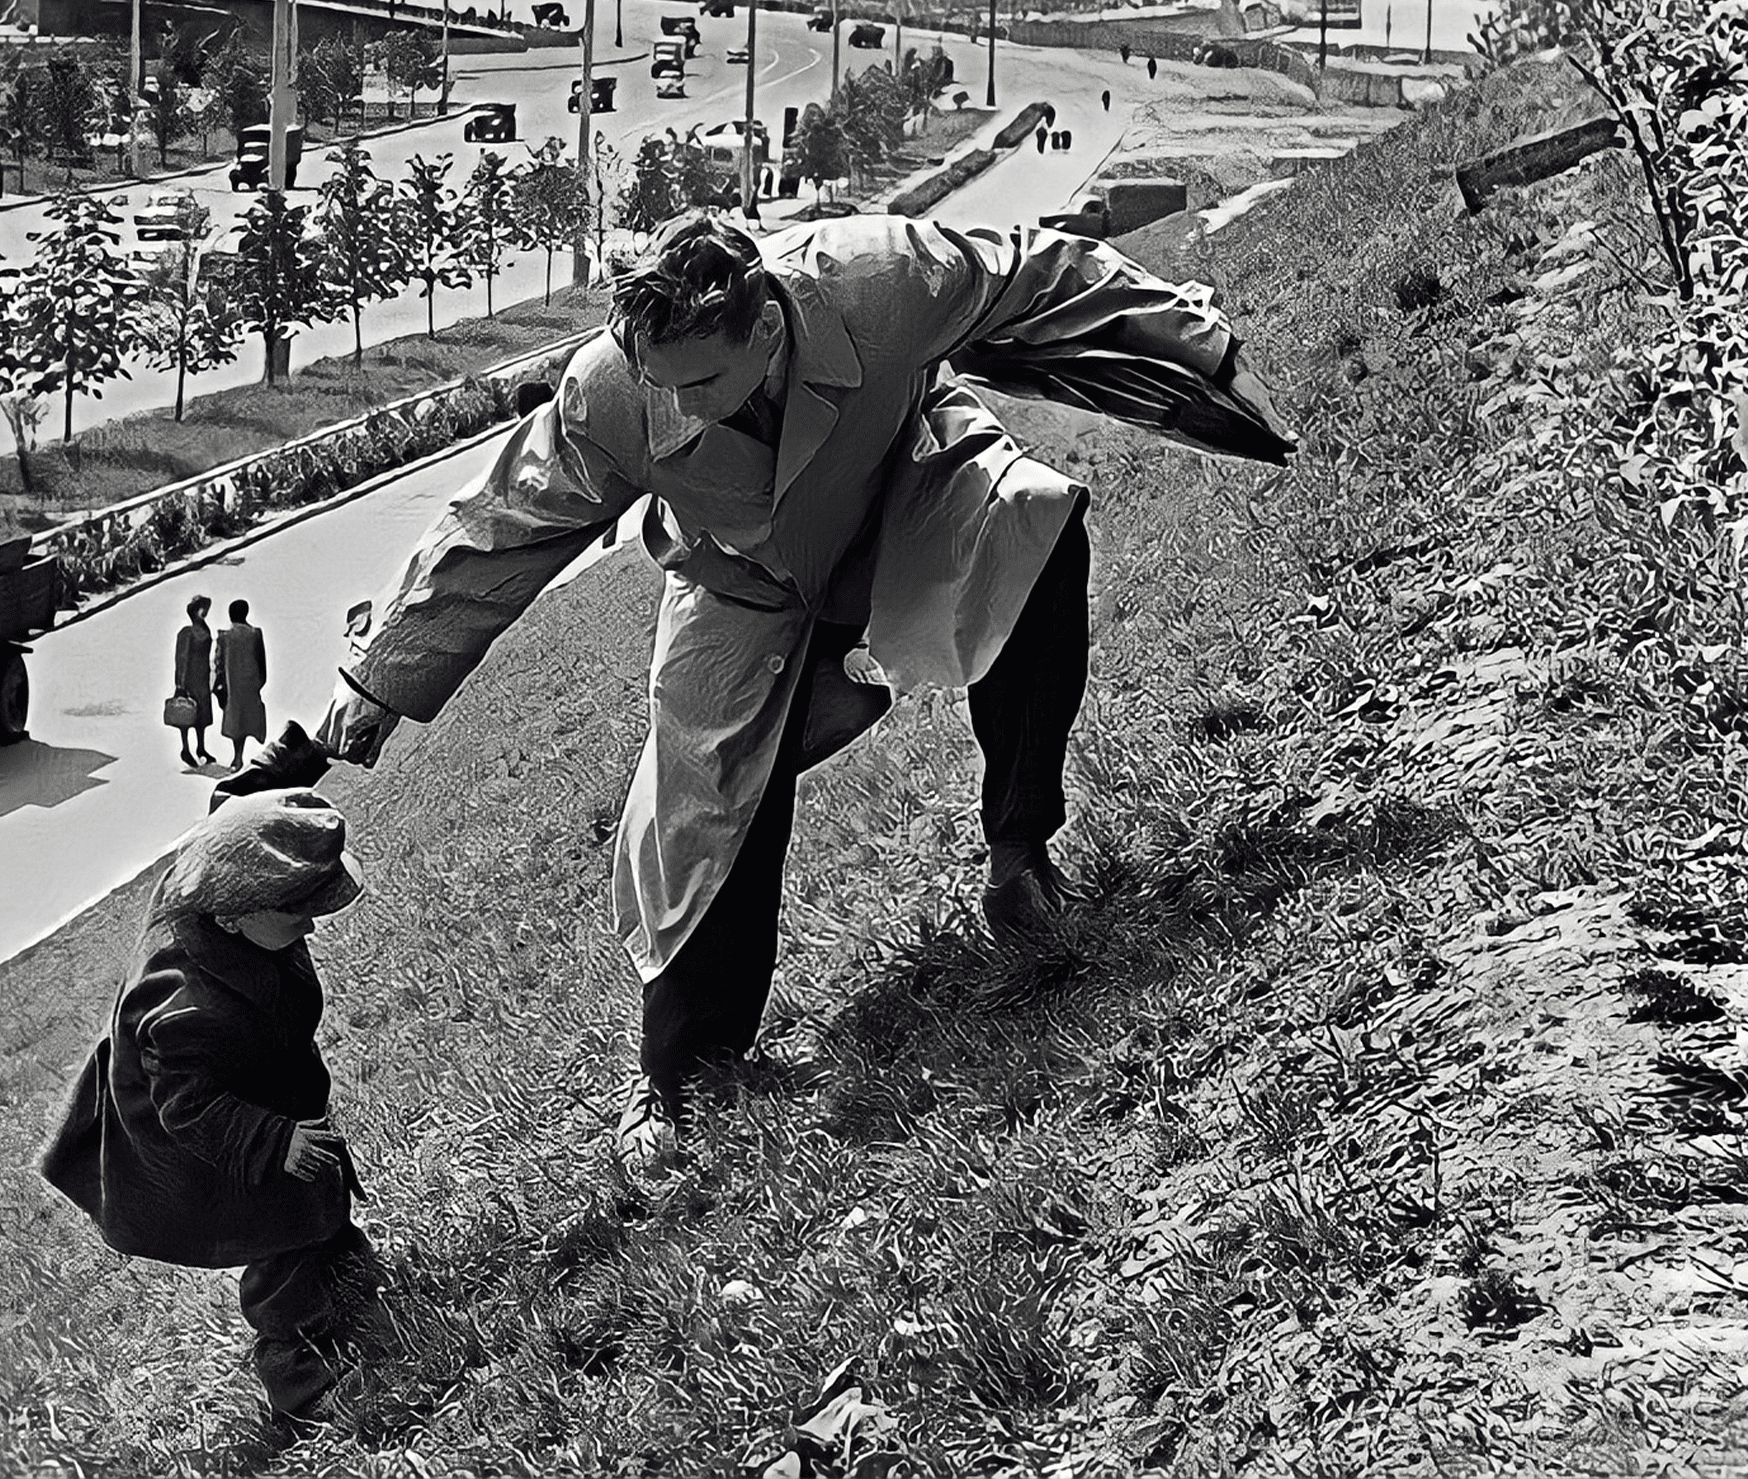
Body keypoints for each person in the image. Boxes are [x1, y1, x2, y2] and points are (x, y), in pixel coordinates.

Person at [317, 213, 1292, 1183]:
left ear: (768, 330)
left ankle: (1017, 857)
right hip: (738, 576)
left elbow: (1042, 269)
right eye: (657, 373)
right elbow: (503, 519)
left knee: (1030, 527)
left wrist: (1196, 343)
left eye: (700, 379)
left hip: (901, 486)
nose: (673, 399)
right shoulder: (618, 387)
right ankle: (681, 1073)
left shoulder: (882, 277)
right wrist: (382, 673)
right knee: (698, 803)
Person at [39, 789, 375, 1422]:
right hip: (217, 1141)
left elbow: (233, 815)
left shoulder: (221, 892)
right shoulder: (184, 1007)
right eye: (295, 910)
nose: (310, 924)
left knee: (318, 1203)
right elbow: (186, 1106)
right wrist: (274, 1142)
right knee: (282, 1242)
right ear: (228, 918)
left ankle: (347, 1275)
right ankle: (303, 1385)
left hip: (267, 1091)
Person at [216, 599, 269, 773]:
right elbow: (261, 661)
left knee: (236, 719)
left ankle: (237, 756)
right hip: (251, 682)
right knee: (249, 717)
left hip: (233, 684)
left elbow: (218, 663)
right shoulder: (255, 634)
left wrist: (219, 685)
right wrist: (260, 682)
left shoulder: (224, 636)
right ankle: (239, 755)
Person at [171, 594, 216, 769]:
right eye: (202, 609)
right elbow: (181, 660)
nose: (205, 612)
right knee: (187, 714)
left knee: (202, 715)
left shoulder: (205, 629)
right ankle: (185, 748)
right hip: (190, 679)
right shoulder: (186, 633)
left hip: (202, 678)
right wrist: (180, 685)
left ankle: (201, 748)